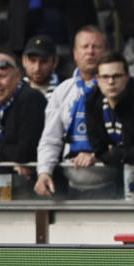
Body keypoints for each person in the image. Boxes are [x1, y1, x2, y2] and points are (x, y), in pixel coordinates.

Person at [34, 25, 108, 197]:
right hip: (72, 186)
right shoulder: (63, 91)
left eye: (96, 47)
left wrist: (98, 155)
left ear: (106, 51)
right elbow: (50, 139)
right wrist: (44, 172)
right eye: (85, 47)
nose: (90, 52)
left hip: (111, 184)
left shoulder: (115, 88)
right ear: (75, 54)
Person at [84, 51, 134, 167]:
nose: (111, 82)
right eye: (105, 77)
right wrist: (121, 152)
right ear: (98, 80)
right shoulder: (92, 102)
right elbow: (99, 150)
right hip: (112, 172)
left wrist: (113, 152)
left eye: (117, 76)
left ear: (127, 77)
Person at [0, 52, 47, 165]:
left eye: (2, 76)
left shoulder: (31, 98)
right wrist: (7, 149)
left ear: (17, 76)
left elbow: (25, 153)